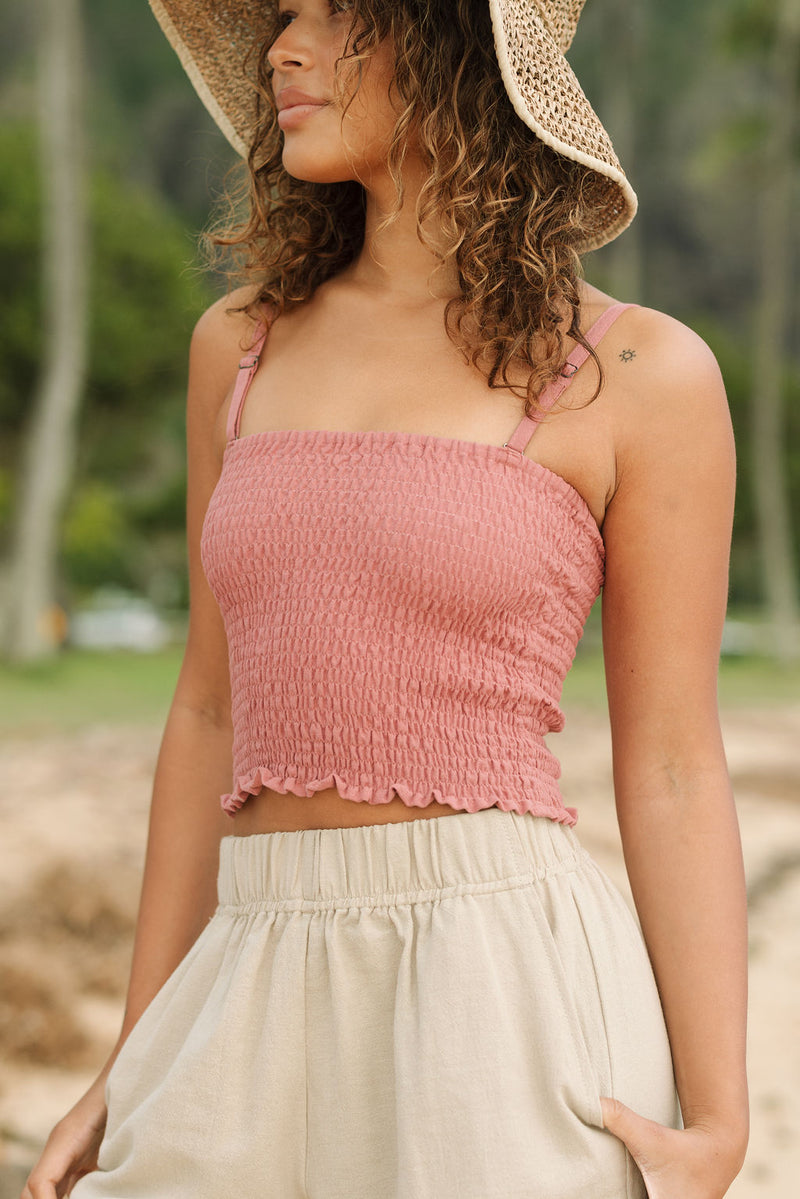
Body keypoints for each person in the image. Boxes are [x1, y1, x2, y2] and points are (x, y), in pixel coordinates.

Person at [24, 1, 749, 1196]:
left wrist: (718, 1114)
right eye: (279, 16)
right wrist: (130, 1052)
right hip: (246, 963)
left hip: (499, 981)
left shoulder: (635, 374)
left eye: (327, 13)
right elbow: (207, 713)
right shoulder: (239, 343)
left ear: (451, 46)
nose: (280, 48)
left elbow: (671, 760)